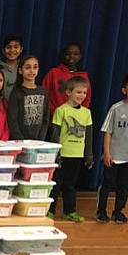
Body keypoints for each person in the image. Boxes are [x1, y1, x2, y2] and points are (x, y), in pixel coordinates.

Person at [96, 72, 128, 224]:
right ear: (124, 90)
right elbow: (107, 132)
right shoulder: (116, 108)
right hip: (114, 156)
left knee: (124, 186)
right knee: (107, 184)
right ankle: (101, 211)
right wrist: (107, 153)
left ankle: (118, 211)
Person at [48, 76, 93, 222]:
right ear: (68, 92)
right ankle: (50, 210)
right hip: (63, 154)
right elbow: (55, 134)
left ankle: (69, 211)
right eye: (78, 92)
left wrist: (89, 155)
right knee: (56, 184)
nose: (81, 96)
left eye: (84, 93)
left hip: (77, 155)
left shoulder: (86, 113)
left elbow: (88, 136)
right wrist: (57, 155)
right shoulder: (61, 111)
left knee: (71, 185)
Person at [42, 43, 91, 117]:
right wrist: (54, 111)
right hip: (54, 118)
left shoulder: (83, 76)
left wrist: (79, 113)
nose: (71, 56)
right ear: (63, 56)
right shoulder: (53, 73)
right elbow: (44, 94)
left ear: (79, 57)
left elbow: (86, 98)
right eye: (68, 54)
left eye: (75, 54)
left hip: (75, 119)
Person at [7, 55, 49, 140]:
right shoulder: (16, 93)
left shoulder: (43, 92)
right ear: (20, 70)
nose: (32, 71)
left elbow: (45, 118)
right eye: (28, 67)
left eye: (35, 67)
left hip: (38, 141)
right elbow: (12, 120)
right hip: (20, 141)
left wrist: (41, 138)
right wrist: (21, 140)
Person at [0, 33, 23, 99]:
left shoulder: (25, 69)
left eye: (16, 47)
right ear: (3, 50)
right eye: (8, 47)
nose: (12, 50)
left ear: (21, 49)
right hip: (2, 108)